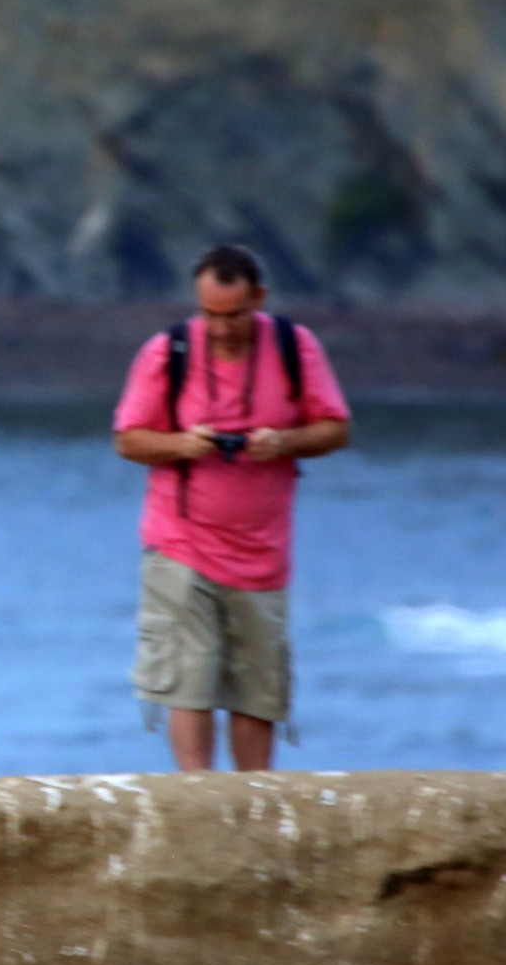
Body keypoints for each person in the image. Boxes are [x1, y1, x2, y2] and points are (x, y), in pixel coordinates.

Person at [111, 245, 352, 771]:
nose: (220, 329)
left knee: (256, 687)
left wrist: (284, 442)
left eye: (234, 315)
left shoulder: (294, 346)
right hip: (179, 542)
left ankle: (253, 804)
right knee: (189, 678)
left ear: (259, 299)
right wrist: (183, 444)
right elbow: (129, 440)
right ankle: (200, 798)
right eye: (210, 315)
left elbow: (336, 428)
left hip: (262, 552)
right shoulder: (167, 351)